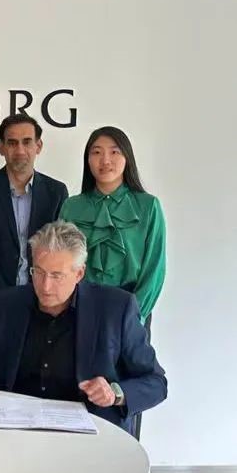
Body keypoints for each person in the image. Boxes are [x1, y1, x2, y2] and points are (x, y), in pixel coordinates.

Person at [0, 221, 167, 436]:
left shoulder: (116, 309)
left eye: (56, 276)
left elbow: (156, 382)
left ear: (79, 273)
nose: (45, 286)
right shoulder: (7, 304)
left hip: (88, 435)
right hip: (17, 431)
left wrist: (115, 393)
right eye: (38, 272)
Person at [0, 113, 68, 340]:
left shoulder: (56, 192)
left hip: (43, 304)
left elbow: (59, 251)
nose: (20, 150)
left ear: (38, 146)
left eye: (27, 142)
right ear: (1, 147)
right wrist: (6, 298)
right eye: (12, 143)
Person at [58, 126, 166, 332]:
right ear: (87, 159)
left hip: (132, 308)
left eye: (114, 152)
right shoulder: (72, 207)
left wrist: (134, 315)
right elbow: (61, 263)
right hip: (81, 309)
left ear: (127, 157)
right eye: (96, 152)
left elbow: (154, 268)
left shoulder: (148, 206)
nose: (105, 160)